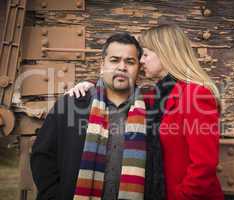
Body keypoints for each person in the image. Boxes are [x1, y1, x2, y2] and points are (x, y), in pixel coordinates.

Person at [68, 24, 224, 200]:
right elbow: (122, 89)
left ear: (165, 55)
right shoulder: (157, 96)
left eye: (147, 54)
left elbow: (205, 165)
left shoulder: (196, 95)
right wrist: (91, 84)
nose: (141, 61)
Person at [30, 33, 148, 200]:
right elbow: (42, 155)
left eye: (130, 62)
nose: (122, 67)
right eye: (114, 60)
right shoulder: (71, 104)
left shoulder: (150, 112)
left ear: (138, 68)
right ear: (102, 65)